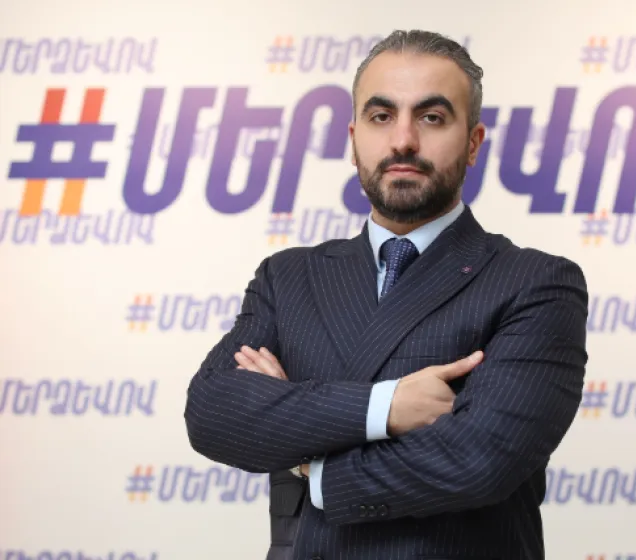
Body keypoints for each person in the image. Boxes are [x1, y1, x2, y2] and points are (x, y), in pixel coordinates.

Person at [184, 29, 589, 560]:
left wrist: (307, 460)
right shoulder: (289, 277)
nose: (403, 140)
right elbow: (213, 413)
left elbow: (477, 459)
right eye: (381, 116)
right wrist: (387, 406)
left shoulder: (535, 282)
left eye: (432, 117)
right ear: (354, 140)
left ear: (473, 143)